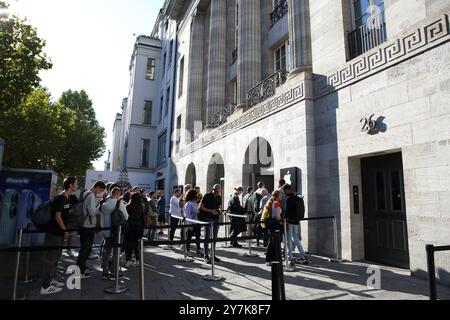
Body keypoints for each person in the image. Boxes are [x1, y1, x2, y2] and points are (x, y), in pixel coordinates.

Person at [40, 177, 78, 295]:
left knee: (56, 258)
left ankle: (51, 281)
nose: (77, 186)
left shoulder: (65, 198)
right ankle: (45, 286)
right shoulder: (61, 198)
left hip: (59, 233)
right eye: (76, 184)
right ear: (70, 185)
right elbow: (57, 216)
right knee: (51, 259)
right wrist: (65, 230)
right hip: (55, 233)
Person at [76, 181, 106, 278]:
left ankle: (82, 267)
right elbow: (92, 212)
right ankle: (80, 270)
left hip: (83, 224)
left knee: (83, 248)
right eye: (100, 190)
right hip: (88, 225)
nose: (100, 192)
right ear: (97, 187)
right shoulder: (91, 196)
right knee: (86, 249)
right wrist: (99, 206)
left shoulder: (85, 192)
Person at [99, 187, 129, 280]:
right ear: (118, 194)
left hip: (106, 230)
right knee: (116, 251)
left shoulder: (103, 204)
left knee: (106, 251)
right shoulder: (119, 203)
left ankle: (104, 272)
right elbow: (126, 217)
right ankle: (113, 273)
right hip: (117, 231)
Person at [283, 185, 308, 265]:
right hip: (297, 221)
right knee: (296, 238)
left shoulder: (289, 199)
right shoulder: (299, 198)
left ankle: (289, 257)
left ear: (287, 190)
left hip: (290, 221)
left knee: (289, 240)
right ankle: (302, 255)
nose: (284, 193)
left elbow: (287, 211)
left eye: (285, 191)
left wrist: (285, 219)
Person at [199, 184, 223, 264]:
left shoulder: (219, 197)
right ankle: (206, 255)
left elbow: (218, 207)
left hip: (216, 219)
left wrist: (219, 211)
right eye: (216, 191)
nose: (217, 192)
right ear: (213, 189)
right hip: (207, 218)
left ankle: (213, 254)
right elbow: (200, 207)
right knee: (207, 237)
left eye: (218, 191)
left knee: (214, 238)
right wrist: (211, 211)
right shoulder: (207, 196)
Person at [124, 193, 146, 267]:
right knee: (138, 245)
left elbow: (126, 218)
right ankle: (137, 260)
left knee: (128, 244)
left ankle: (128, 260)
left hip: (130, 228)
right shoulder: (141, 207)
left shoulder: (128, 207)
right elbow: (143, 218)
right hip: (139, 228)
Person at [264, 191, 283, 265]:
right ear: (277, 196)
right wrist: (282, 223)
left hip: (270, 224)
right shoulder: (276, 203)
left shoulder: (270, 201)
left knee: (271, 242)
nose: (281, 196)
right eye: (281, 195)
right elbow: (278, 216)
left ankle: (268, 260)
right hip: (275, 224)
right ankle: (274, 259)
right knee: (275, 242)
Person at [183, 189, 199, 256]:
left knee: (198, 236)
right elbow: (187, 215)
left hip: (196, 222)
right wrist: (190, 225)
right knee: (188, 237)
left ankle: (198, 249)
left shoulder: (194, 202)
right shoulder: (188, 204)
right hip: (191, 224)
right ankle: (188, 251)